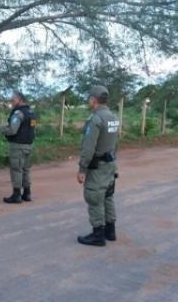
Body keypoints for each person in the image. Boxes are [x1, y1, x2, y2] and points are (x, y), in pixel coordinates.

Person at [76, 86, 119, 246]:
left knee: (94, 197)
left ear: (93, 100)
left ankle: (98, 235)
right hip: (110, 163)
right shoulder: (113, 117)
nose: (89, 101)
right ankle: (110, 231)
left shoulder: (95, 119)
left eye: (89, 99)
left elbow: (88, 147)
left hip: (98, 166)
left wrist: (82, 169)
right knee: (108, 196)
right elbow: (115, 143)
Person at [0, 91, 37, 204]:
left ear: (20, 99)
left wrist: (2, 129)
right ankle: (27, 193)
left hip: (18, 146)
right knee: (26, 169)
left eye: (13, 100)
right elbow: (33, 130)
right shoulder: (32, 113)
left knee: (16, 169)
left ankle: (16, 195)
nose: (11, 102)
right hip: (28, 145)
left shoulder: (18, 114)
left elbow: (12, 130)